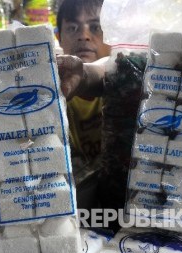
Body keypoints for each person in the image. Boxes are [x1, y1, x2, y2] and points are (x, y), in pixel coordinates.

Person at [56, 0, 111, 164]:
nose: (84, 36)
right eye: (72, 28)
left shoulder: (125, 82)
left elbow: (109, 66)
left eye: (95, 27)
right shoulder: (53, 89)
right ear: (59, 38)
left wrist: (85, 74)